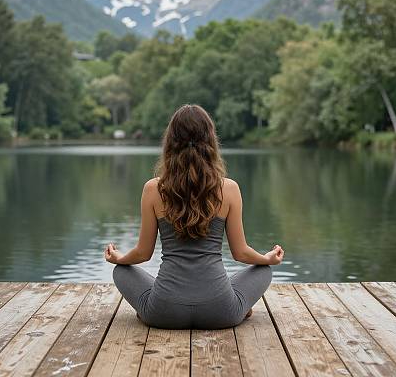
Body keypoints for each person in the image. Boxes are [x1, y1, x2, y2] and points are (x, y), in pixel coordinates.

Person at [104, 104, 284, 329]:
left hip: (163, 312)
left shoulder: (153, 189)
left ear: (170, 142)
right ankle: (237, 308)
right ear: (210, 142)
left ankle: (150, 310)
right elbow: (240, 253)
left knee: (122, 271)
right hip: (220, 312)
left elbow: (143, 253)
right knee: (263, 271)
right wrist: (267, 259)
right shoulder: (229, 189)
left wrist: (119, 259)